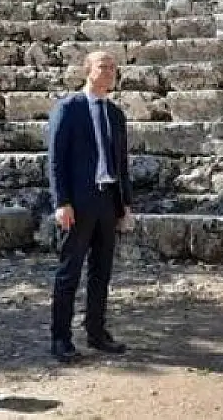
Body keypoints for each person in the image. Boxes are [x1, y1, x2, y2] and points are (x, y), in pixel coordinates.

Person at [48, 51, 136, 363]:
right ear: (88, 71)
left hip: (107, 201)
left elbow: (121, 163)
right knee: (69, 271)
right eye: (104, 66)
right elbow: (56, 159)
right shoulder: (69, 108)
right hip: (78, 203)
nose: (110, 72)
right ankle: (61, 338)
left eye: (113, 67)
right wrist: (61, 201)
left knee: (102, 272)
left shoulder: (115, 114)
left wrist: (125, 204)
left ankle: (97, 332)